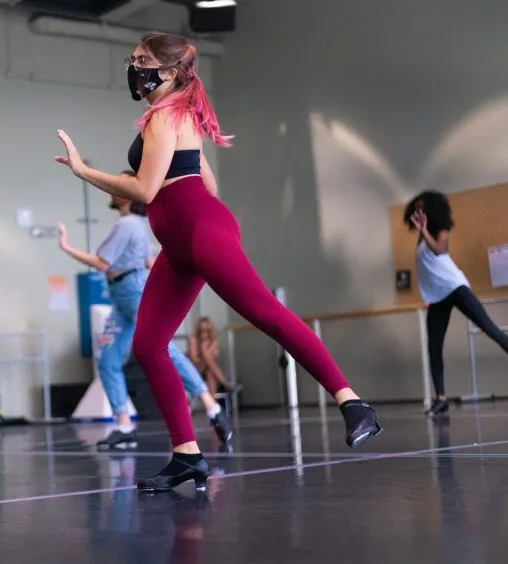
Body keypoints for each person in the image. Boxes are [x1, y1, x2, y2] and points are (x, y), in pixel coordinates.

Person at [53, 31, 381, 492]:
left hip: (202, 235)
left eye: (143, 60)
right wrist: (181, 222)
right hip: (181, 244)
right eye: (133, 59)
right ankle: (187, 455)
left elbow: (145, 190)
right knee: (148, 345)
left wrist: (84, 171)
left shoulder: (163, 117)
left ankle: (353, 402)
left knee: (266, 313)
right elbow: (205, 182)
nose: (134, 67)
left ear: (169, 72)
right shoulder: (177, 114)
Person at [56, 174, 232, 449]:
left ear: (129, 193)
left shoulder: (127, 224)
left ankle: (211, 405)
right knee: (108, 358)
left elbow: (102, 263)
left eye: (119, 185)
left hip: (132, 292)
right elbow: (147, 259)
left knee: (162, 348)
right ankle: (124, 425)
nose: (113, 189)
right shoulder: (137, 224)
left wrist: (65, 247)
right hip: (122, 296)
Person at [404, 191, 508, 418]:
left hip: (455, 287)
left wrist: (424, 230)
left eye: (422, 207)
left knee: (490, 329)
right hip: (437, 297)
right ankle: (441, 399)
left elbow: (439, 250)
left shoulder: (441, 227)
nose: (418, 212)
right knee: (434, 348)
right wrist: (421, 230)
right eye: (416, 208)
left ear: (431, 209)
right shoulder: (422, 234)